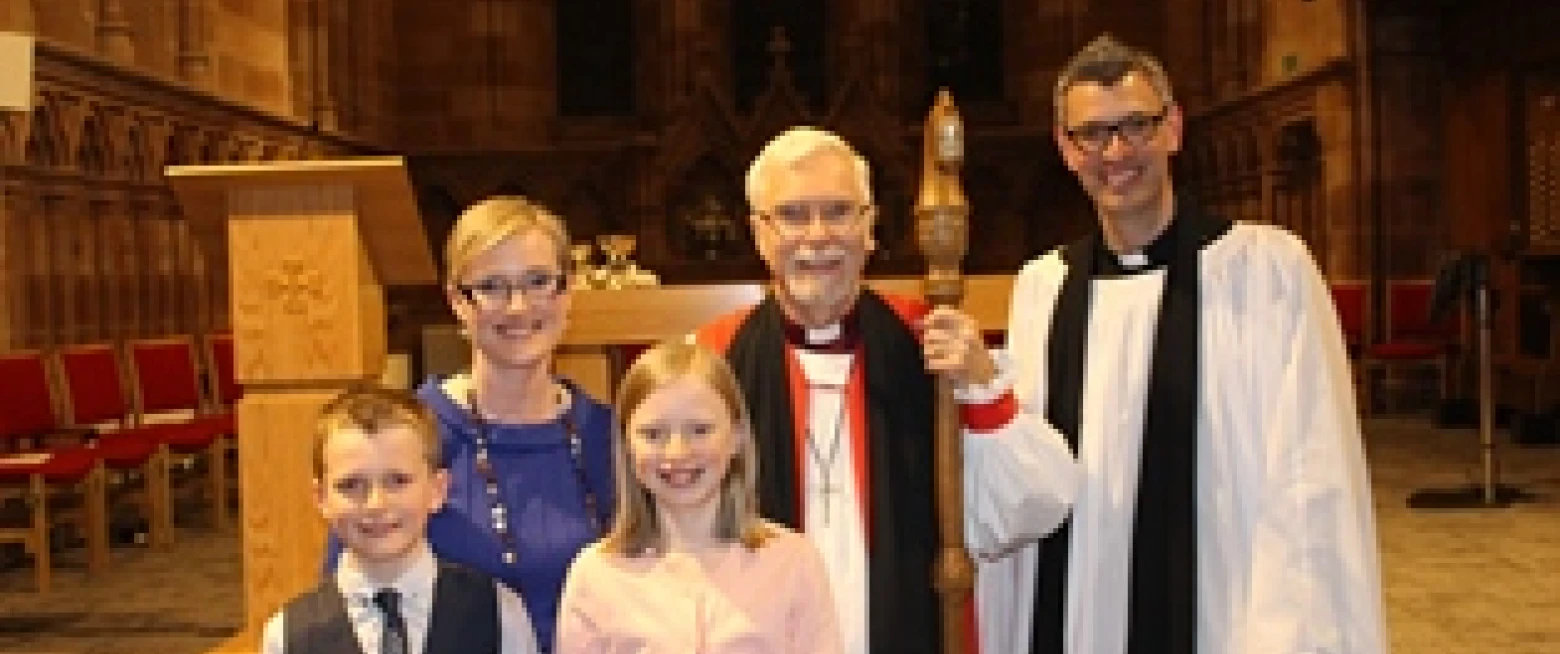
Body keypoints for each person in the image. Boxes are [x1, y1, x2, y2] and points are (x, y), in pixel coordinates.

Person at [933, 35, 1389, 653]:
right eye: (1093, 134)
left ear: (1173, 128)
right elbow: (1034, 476)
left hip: (1221, 607)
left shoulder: (1266, 270)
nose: (1116, 152)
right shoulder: (1045, 286)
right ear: (1067, 149)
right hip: (1079, 607)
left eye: (1136, 126)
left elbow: (1311, 480)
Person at [695, 126, 1078, 654]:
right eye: (792, 215)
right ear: (759, 233)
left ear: (870, 227)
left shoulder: (929, 343)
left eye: (837, 212)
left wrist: (983, 389)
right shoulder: (711, 359)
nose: (816, 236)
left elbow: (1031, 509)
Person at [326, 196, 615, 653]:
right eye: (492, 287)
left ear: (567, 292)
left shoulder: (611, 436)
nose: (518, 307)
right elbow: (347, 607)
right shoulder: (405, 436)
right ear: (457, 301)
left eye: (539, 281)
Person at [555, 342, 844, 654]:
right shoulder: (595, 576)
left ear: (736, 437)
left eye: (700, 430)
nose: (677, 452)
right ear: (627, 445)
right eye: (653, 434)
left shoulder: (794, 564)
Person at [265, 385, 540, 654]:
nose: (376, 504)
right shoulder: (289, 636)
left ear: (437, 490)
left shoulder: (498, 614)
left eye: (397, 481)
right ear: (321, 497)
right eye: (351, 485)